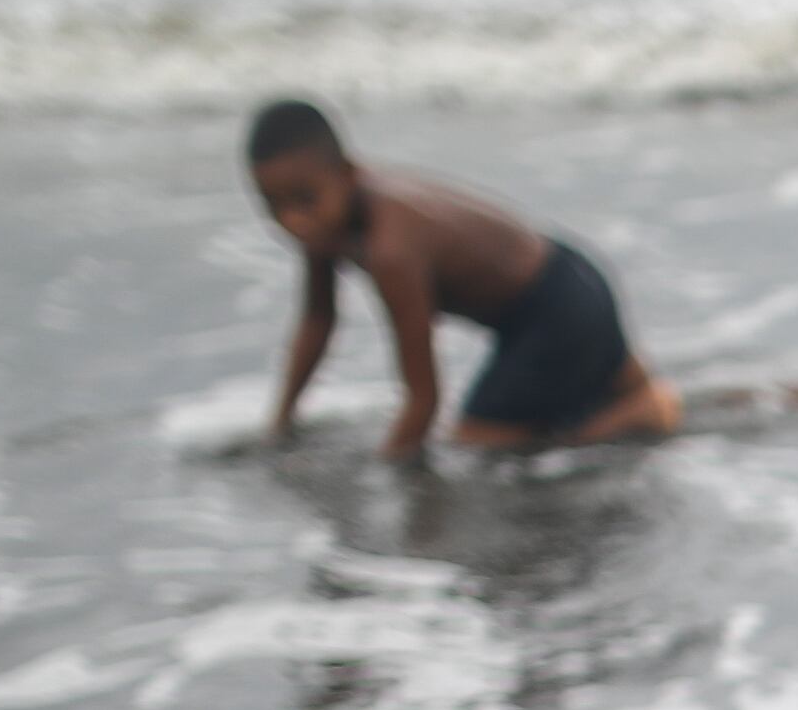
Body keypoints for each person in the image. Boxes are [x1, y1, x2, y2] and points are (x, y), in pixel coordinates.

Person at [244, 100, 682, 459]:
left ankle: (632, 417)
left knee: (478, 446)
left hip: (556, 313)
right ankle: (641, 400)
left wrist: (391, 469)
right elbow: (318, 320)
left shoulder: (391, 249)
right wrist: (282, 422)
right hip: (574, 279)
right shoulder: (328, 228)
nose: (292, 221)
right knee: (596, 391)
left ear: (348, 173)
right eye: (273, 205)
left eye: (304, 200)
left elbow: (423, 398)